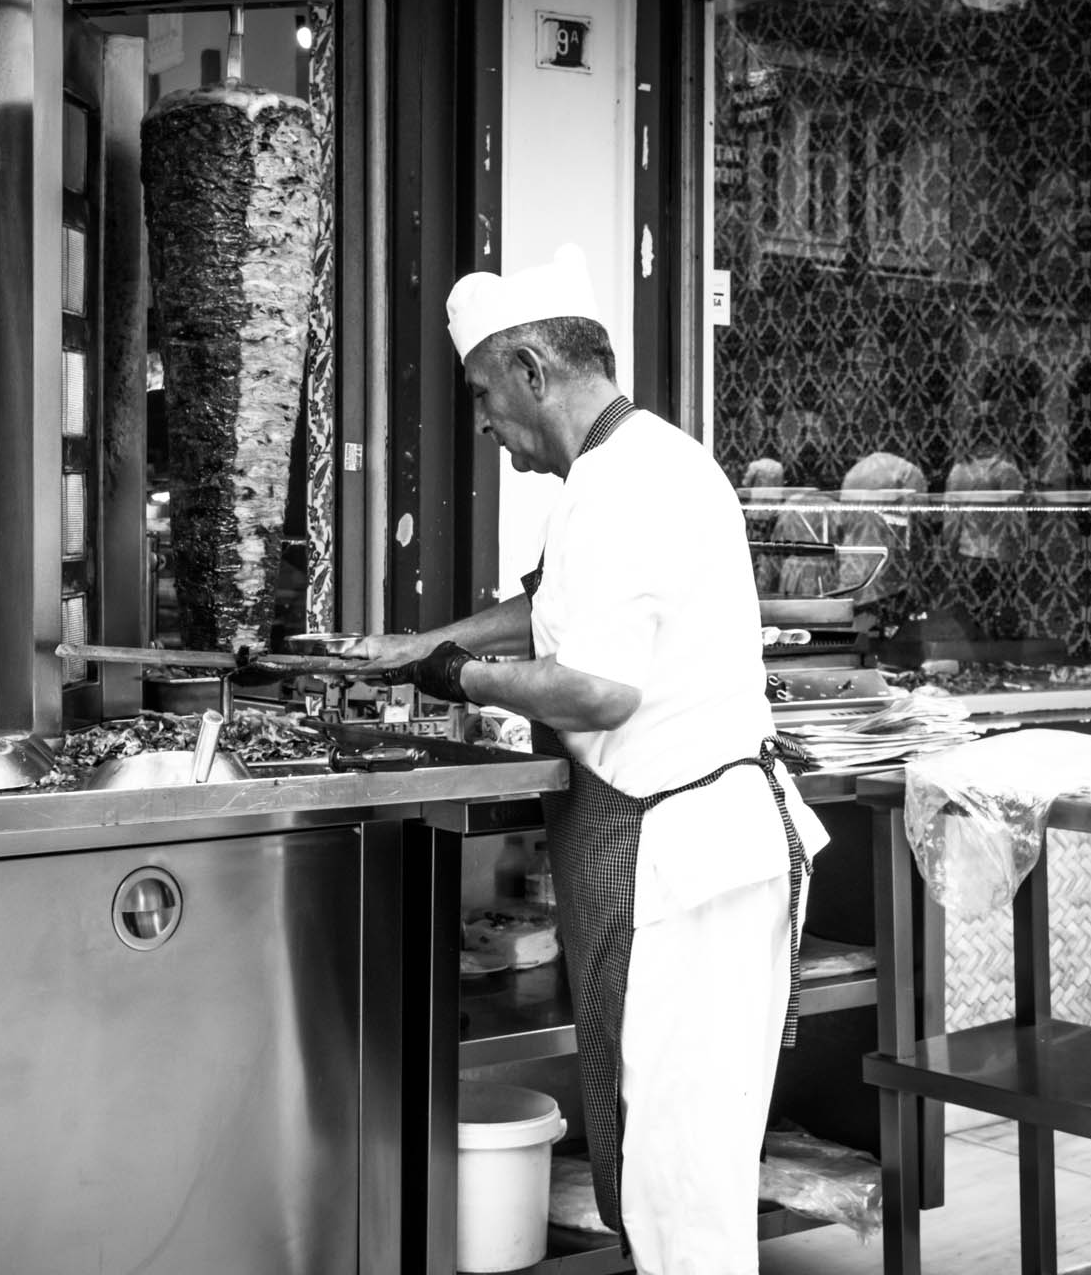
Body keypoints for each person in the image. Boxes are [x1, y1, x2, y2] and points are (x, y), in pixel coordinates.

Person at [351, 244, 829, 1274]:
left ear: (531, 368)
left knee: (675, 1181)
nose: (482, 423)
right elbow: (555, 606)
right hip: (691, 851)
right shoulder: (642, 461)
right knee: (664, 1163)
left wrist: (458, 681)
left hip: (679, 864)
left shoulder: (617, 486)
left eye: (483, 394)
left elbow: (597, 688)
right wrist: (426, 643)